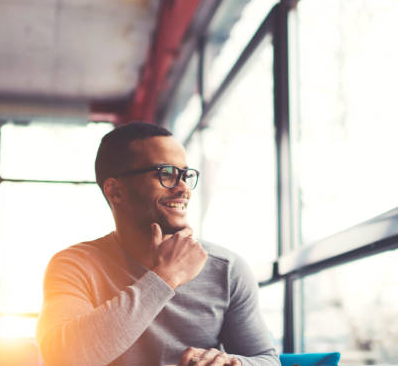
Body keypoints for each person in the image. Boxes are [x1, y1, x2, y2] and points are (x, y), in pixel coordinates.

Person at [36, 122, 280, 366]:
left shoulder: (227, 269)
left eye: (185, 175)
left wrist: (234, 364)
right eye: (166, 174)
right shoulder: (74, 265)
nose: (183, 188)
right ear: (115, 191)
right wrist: (164, 277)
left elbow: (268, 361)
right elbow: (63, 359)